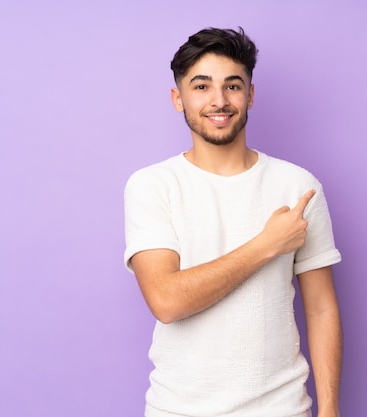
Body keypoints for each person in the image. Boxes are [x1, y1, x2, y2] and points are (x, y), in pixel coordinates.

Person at [124, 27, 342, 417]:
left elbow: (322, 308)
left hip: (282, 408)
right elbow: (167, 301)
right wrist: (266, 245)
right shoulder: (152, 185)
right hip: (178, 409)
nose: (219, 101)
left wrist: (329, 412)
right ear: (178, 99)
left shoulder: (297, 186)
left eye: (233, 86)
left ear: (250, 95)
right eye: (202, 86)